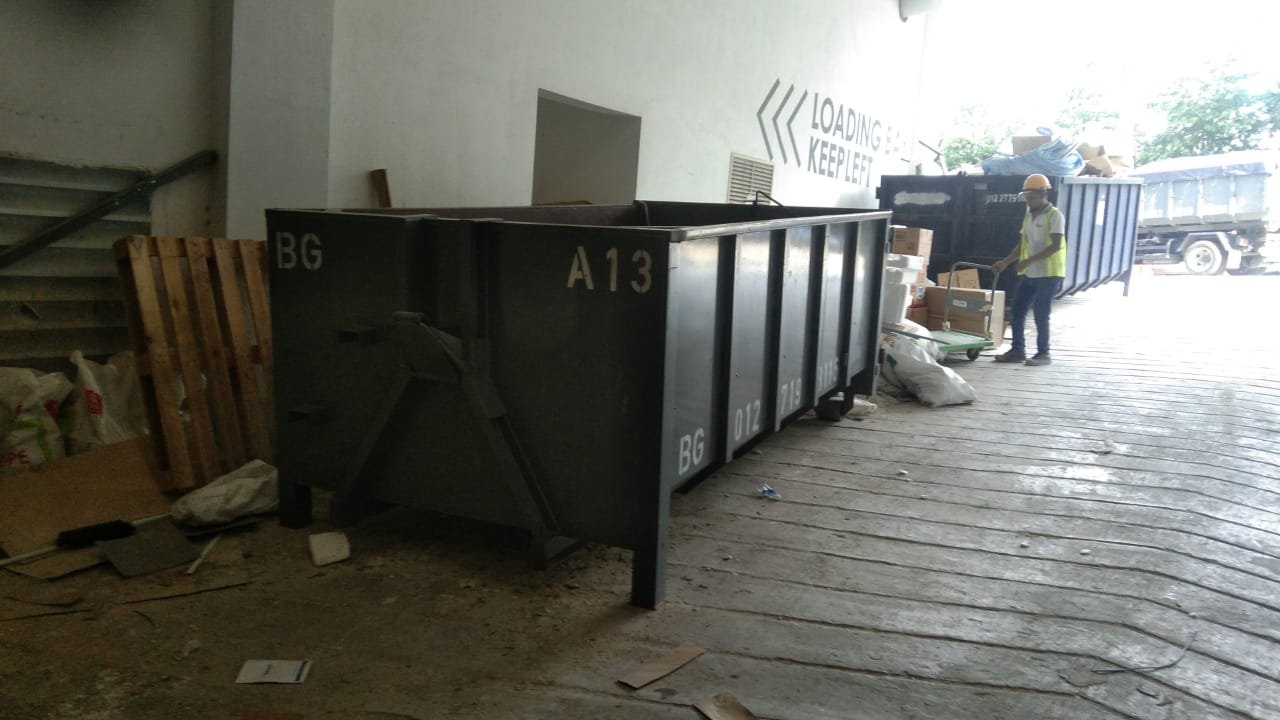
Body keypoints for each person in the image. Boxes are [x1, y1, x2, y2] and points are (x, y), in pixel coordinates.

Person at [991, 173, 1066, 366]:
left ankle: (1043, 353)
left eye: (1031, 197)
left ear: (1042, 194)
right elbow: (1022, 244)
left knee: (1041, 313)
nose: (1029, 201)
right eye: (1026, 197)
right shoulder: (1028, 217)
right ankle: (1018, 350)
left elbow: (1055, 246)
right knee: (1017, 309)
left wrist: (1028, 261)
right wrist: (1006, 262)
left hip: (1049, 274)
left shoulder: (1054, 216)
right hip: (1030, 273)